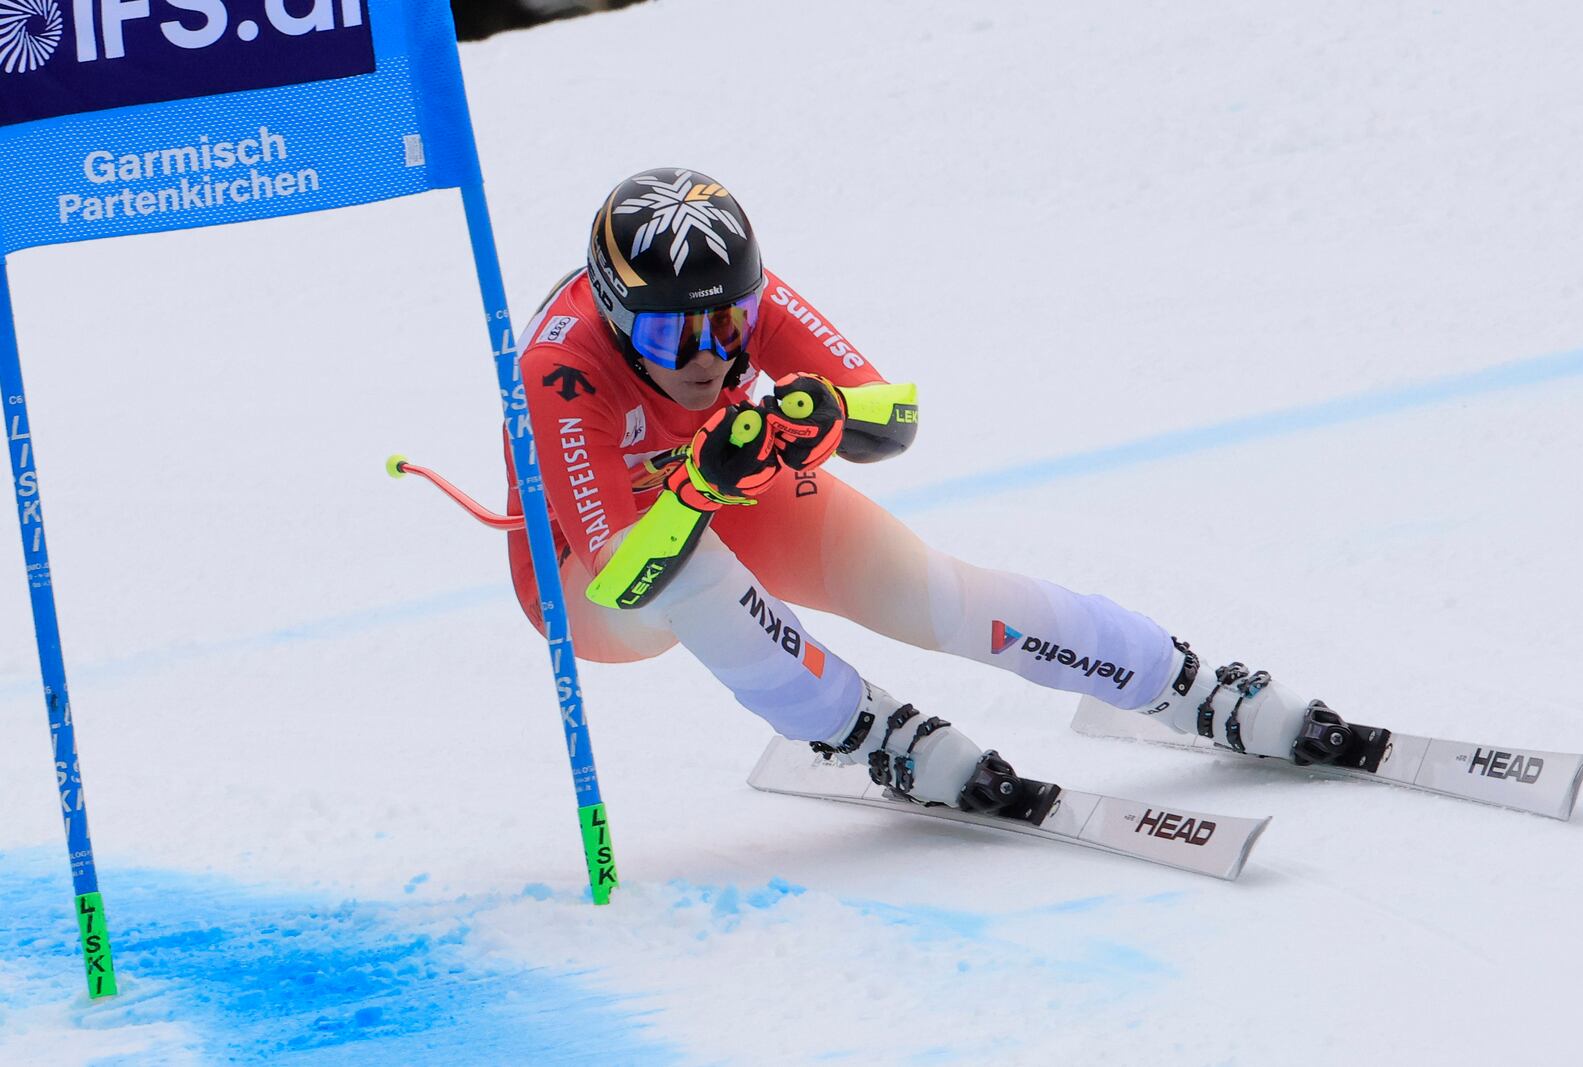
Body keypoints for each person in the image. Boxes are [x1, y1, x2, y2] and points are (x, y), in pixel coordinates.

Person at [504, 167, 1383, 821]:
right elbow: (625, 578)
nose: (705, 355)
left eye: (728, 322)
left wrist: (830, 413)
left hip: (721, 486)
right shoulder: (563, 368)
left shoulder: (741, 294)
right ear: (617, 317)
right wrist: (699, 483)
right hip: (585, 577)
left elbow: (897, 415)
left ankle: (1182, 681)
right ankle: (863, 729)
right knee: (691, 568)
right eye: (666, 333)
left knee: (929, 590)